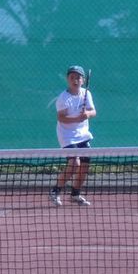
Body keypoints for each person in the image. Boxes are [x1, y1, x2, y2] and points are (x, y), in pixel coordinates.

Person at [50, 65, 95, 206]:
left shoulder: (86, 94)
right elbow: (61, 117)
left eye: (78, 77)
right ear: (67, 79)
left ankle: (75, 194)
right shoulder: (63, 98)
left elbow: (93, 111)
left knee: (85, 165)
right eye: (72, 77)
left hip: (83, 134)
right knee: (75, 163)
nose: (75, 80)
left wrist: (87, 114)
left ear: (83, 80)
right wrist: (77, 118)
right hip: (67, 135)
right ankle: (55, 191)